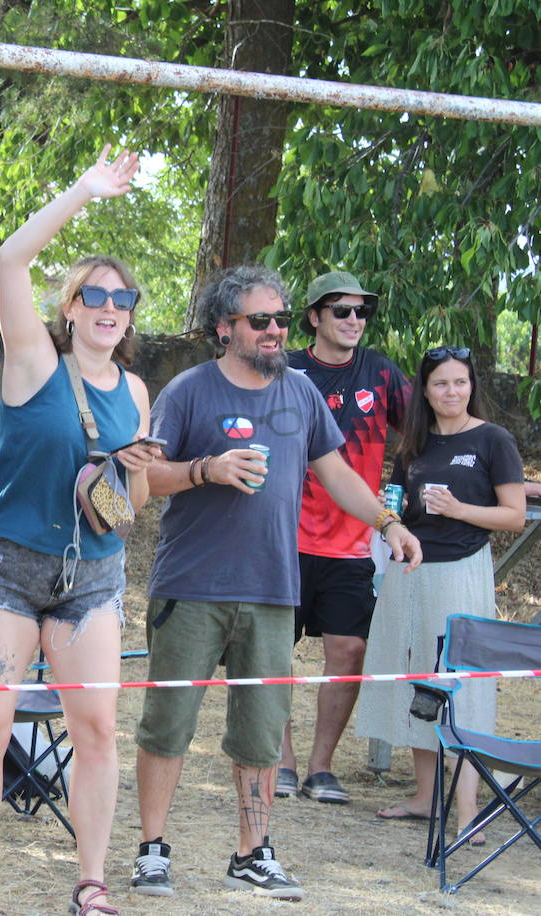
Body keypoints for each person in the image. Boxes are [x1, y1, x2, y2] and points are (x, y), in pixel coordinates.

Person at [131, 265, 421, 903]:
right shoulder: (188, 390)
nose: (275, 331)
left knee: (262, 731)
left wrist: (387, 521)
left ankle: (252, 852)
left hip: (272, 590)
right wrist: (207, 468)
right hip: (191, 586)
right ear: (224, 327)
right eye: (260, 320)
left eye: (282, 320)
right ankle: (152, 850)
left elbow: (338, 473)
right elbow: (145, 482)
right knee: (167, 723)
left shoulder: (300, 392)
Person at [0, 149, 151, 916]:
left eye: (124, 298)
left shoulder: (138, 391)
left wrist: (125, 482)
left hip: (92, 577)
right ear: (72, 308)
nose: (110, 307)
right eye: (95, 295)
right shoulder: (33, 360)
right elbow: (14, 257)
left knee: (98, 729)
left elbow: (135, 501)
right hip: (5, 567)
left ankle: (91, 883)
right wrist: (85, 191)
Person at [356, 345, 524, 840]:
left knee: (461, 683)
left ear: (472, 386)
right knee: (418, 680)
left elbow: (513, 516)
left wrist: (457, 509)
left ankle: (467, 806)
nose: (452, 392)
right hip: (412, 572)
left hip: (462, 572)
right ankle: (426, 797)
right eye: (440, 384)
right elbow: (395, 503)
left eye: (460, 382)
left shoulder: (494, 440)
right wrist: (393, 517)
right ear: (424, 393)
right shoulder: (415, 445)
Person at [276, 271, 412, 803]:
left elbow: (426, 428)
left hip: (353, 541)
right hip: (282, 538)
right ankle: (280, 760)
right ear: (314, 317)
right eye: (341, 310)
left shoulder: (379, 372)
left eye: (362, 312)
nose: (354, 320)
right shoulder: (286, 369)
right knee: (270, 654)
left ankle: (321, 767)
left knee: (349, 649)